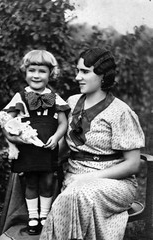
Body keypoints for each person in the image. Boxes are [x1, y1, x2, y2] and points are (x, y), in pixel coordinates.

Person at [39, 47, 145, 240]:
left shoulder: (121, 111)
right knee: (69, 192)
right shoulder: (71, 102)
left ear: (103, 75)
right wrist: (39, 158)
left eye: (85, 72)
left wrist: (90, 178)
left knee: (77, 194)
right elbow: (65, 146)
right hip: (75, 178)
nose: (77, 77)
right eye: (77, 70)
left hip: (114, 183)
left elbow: (133, 164)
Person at [0, 49, 70, 236]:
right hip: (28, 149)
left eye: (42, 71)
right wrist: (14, 137)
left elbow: (63, 122)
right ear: (25, 71)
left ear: (50, 73)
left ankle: (45, 217)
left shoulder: (54, 97)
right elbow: (4, 118)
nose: (36, 75)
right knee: (30, 182)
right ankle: (32, 217)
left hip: (47, 148)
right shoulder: (20, 96)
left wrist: (57, 137)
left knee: (47, 181)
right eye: (32, 70)